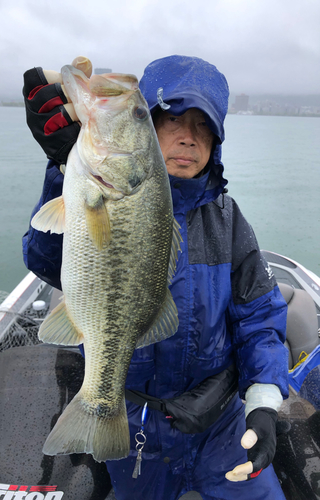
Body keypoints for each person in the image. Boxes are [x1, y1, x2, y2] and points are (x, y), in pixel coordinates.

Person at [22, 55, 289, 500]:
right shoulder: (88, 182)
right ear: (151, 130)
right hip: (135, 421)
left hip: (219, 424)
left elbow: (259, 319)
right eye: (171, 120)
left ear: (217, 140)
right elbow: (45, 260)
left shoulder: (229, 221)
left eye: (204, 126)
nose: (189, 137)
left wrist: (262, 404)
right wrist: (62, 168)